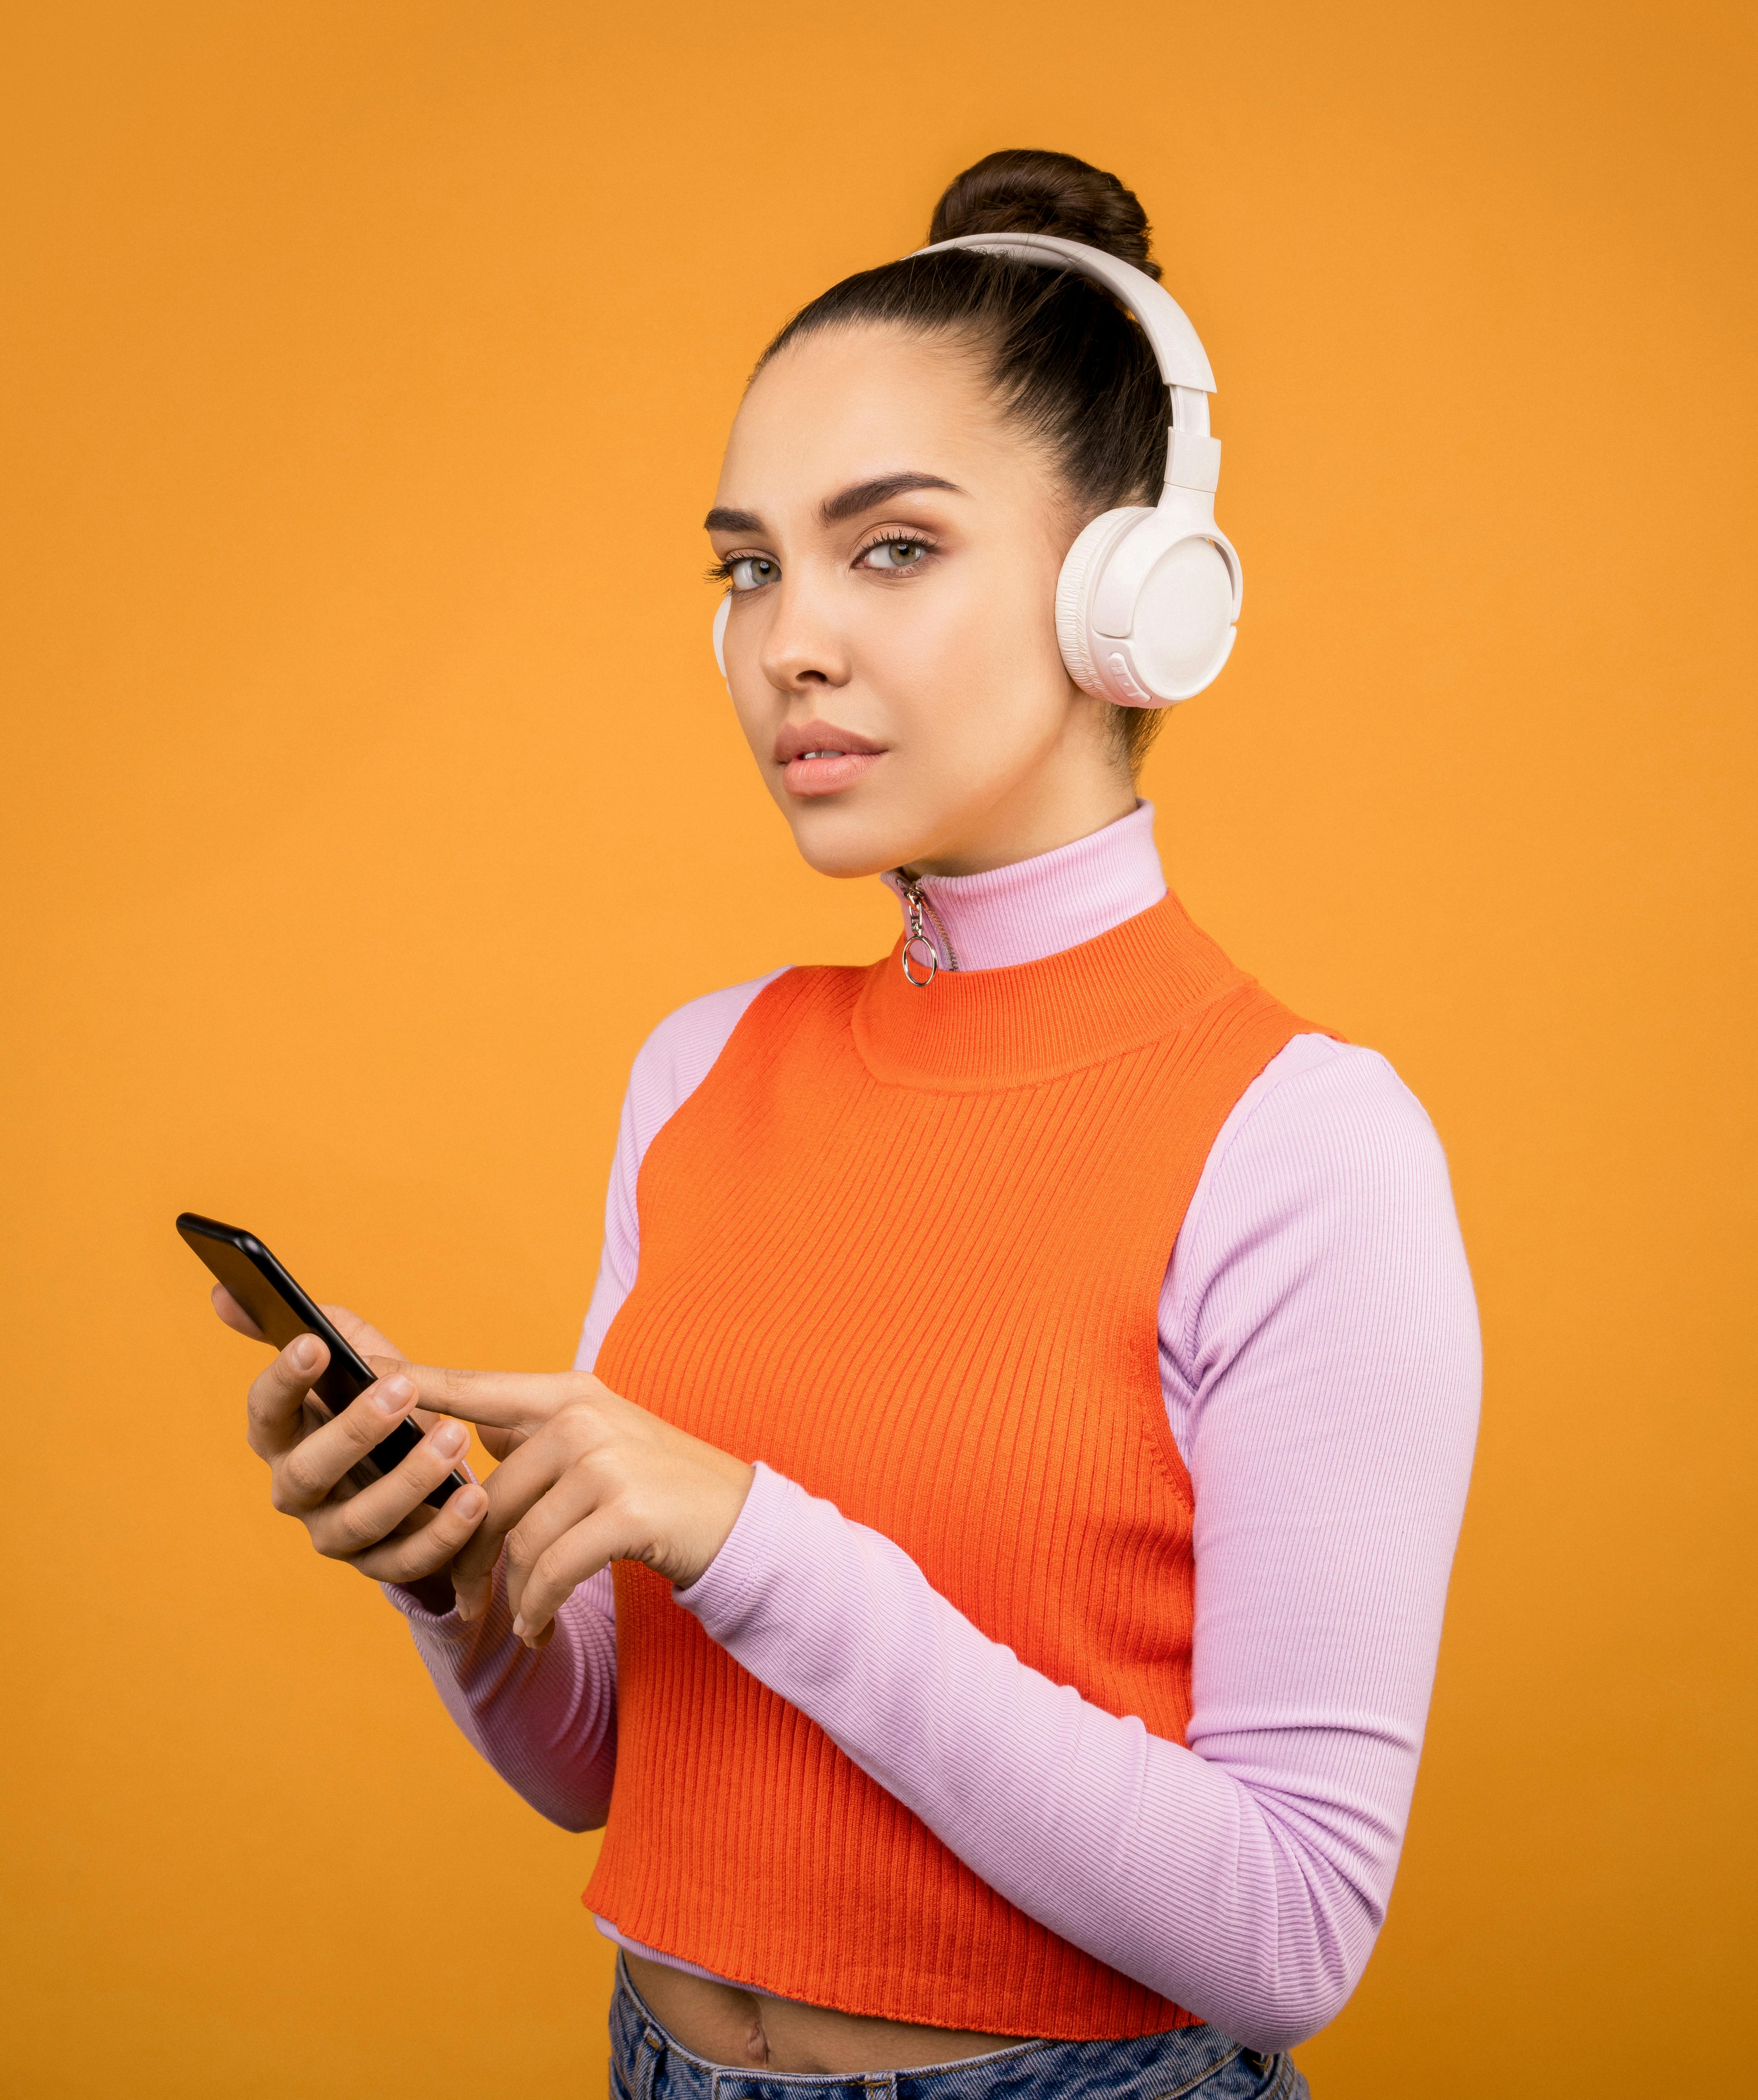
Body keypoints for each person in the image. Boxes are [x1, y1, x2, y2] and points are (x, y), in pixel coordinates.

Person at [220, 149, 1481, 2100]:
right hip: (664, 2059)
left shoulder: (1306, 1143)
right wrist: (463, 1584)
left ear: (1132, 588)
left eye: (889, 547)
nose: (786, 639)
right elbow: (615, 1770)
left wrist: (750, 1535)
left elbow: (1291, 1932)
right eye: (750, 564)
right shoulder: (701, 1068)